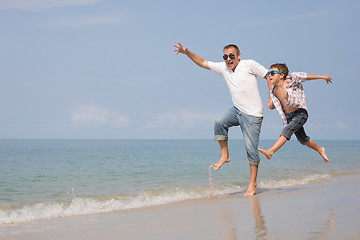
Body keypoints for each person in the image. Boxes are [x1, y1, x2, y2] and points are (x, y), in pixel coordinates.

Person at [173, 42, 272, 196]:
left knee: (251, 150)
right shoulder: (224, 68)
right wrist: (187, 53)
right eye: (225, 56)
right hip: (237, 110)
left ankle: (252, 185)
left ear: (239, 56)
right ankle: (225, 156)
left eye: (231, 56)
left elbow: (269, 76)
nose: (228, 59)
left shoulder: (249, 64)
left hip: (253, 115)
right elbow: (203, 62)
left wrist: (271, 98)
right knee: (219, 122)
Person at [258, 63, 332, 162]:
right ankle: (320, 149)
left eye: (272, 73)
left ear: (281, 75)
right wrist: (272, 105)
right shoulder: (274, 90)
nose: (269, 75)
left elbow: (307, 77)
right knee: (303, 140)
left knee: (286, 130)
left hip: (300, 114)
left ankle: (270, 151)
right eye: (269, 73)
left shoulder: (291, 80)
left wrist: (324, 77)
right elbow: (279, 103)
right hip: (289, 117)